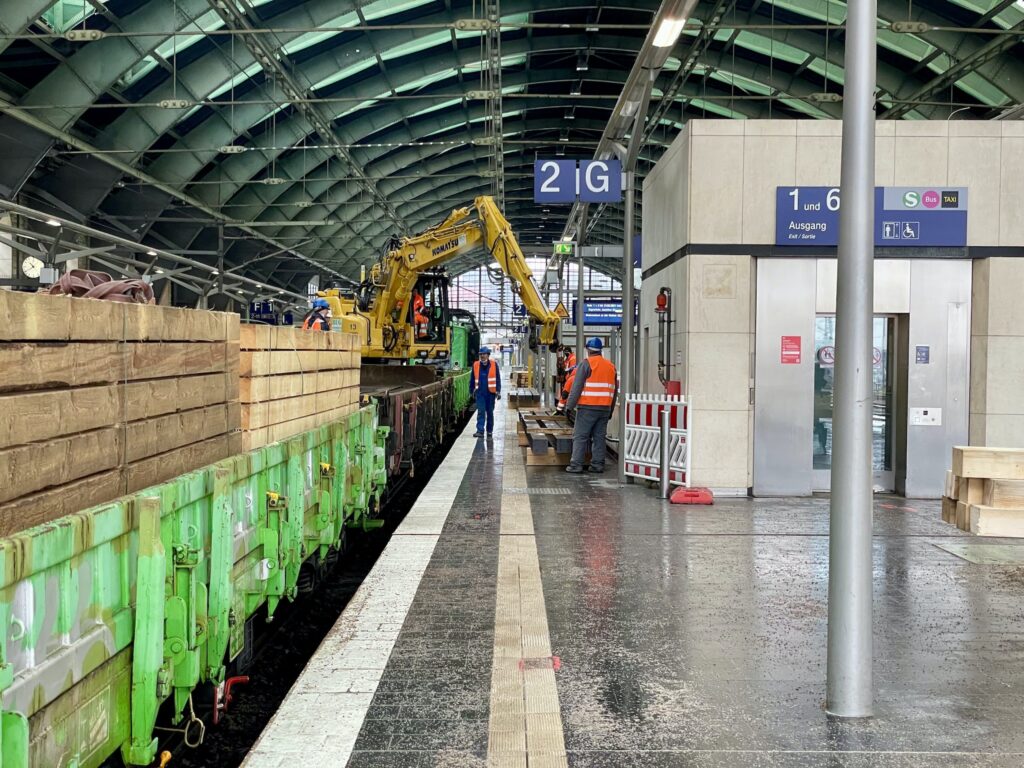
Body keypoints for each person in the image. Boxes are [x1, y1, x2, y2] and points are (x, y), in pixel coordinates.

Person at [564, 337, 617, 474]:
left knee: (580, 436)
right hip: (604, 408)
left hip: (587, 407)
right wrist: (610, 410)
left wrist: (569, 406)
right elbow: (614, 390)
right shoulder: (611, 367)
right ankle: (598, 465)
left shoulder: (586, 364)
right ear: (600, 350)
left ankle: (576, 465)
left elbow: (576, 388)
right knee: (599, 437)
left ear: (588, 350)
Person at [470, 346, 501, 437]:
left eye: (484, 354)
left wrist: (498, 391)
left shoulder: (494, 365)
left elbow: (498, 379)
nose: (482, 356)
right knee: (481, 412)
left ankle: (489, 430)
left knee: (490, 413)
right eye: (481, 354)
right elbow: (472, 379)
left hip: (490, 394)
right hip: (480, 393)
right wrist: (471, 390)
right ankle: (480, 430)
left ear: (488, 355)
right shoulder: (476, 365)